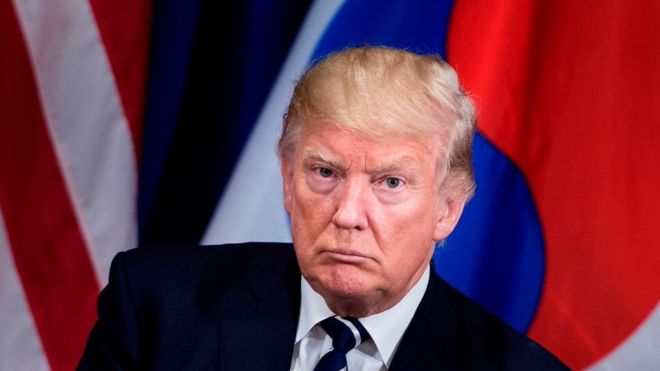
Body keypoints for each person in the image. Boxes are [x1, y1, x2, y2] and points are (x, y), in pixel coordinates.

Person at [78, 46, 568, 370]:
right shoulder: (156, 306)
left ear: (448, 210)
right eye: (325, 174)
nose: (348, 214)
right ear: (289, 182)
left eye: (390, 182)